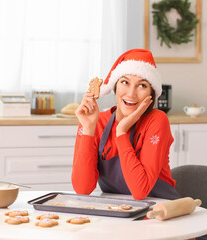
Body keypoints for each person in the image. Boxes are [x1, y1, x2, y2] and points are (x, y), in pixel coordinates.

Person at [71, 49, 180, 200]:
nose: (131, 94)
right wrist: (88, 129)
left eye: (142, 85)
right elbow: (82, 188)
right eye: (124, 82)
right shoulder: (96, 121)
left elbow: (140, 191)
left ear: (151, 94)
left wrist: (121, 132)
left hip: (160, 211)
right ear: (115, 86)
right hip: (117, 212)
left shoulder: (157, 120)